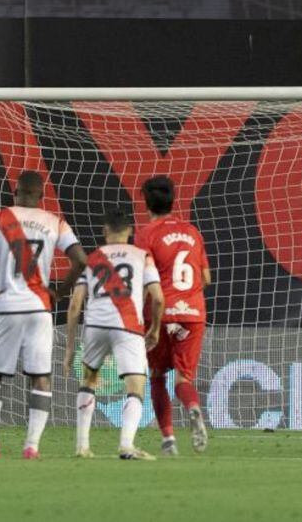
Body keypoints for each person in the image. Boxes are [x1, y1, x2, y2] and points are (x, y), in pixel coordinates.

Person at [0, 171, 86, 460]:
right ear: (41, 195)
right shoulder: (55, 221)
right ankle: (31, 446)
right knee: (40, 376)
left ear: (15, 191)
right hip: (38, 307)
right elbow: (81, 260)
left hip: (5, 305)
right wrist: (59, 292)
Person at [64, 209, 164, 460]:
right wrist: (155, 329)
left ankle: (82, 447)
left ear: (104, 232)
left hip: (95, 326)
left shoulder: (92, 258)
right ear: (130, 232)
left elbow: (75, 305)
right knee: (136, 386)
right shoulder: (142, 256)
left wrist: (69, 347)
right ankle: (126, 445)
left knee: (89, 381)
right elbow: (159, 298)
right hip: (128, 326)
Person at [134, 175, 213, 455]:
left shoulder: (146, 233)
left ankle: (168, 439)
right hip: (192, 314)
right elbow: (206, 277)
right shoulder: (192, 232)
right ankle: (193, 408)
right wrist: (186, 299)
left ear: (146, 202)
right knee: (184, 380)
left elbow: (145, 279)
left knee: (156, 374)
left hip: (161, 313)